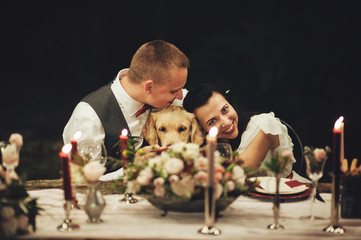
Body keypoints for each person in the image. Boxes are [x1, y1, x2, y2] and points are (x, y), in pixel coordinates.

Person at [63, 40, 189, 165]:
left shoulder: (171, 100)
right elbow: (82, 181)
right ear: (148, 88)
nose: (180, 95)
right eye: (174, 91)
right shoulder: (89, 117)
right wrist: (132, 168)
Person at [183, 83, 297, 178]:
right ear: (202, 129)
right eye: (212, 121)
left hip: (286, 199)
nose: (226, 122)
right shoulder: (217, 144)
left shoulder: (263, 125)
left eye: (225, 110)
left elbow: (235, 176)